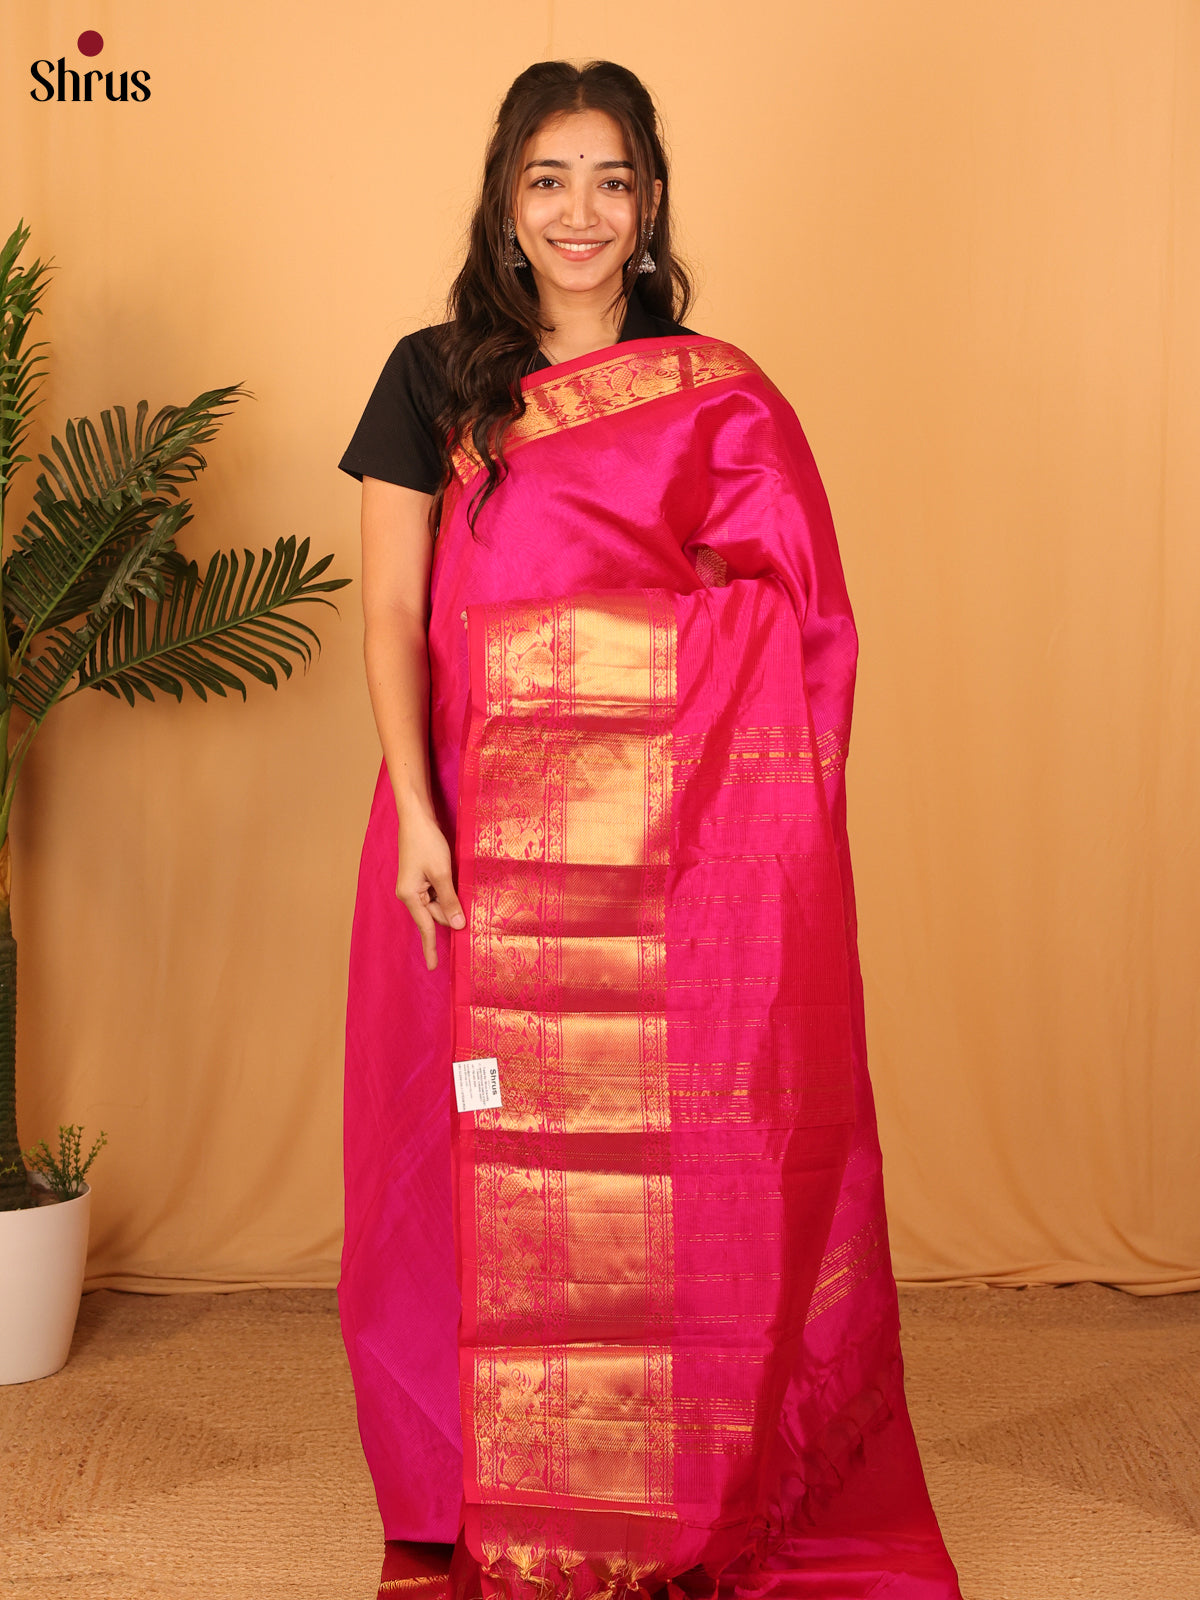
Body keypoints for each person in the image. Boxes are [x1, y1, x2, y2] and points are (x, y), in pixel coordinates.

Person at [338, 58, 963, 1600]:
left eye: (609, 181)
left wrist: (621, 693)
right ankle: (470, 1482)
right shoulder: (432, 378)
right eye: (547, 179)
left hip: (669, 861)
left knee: (669, 1165)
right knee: (465, 1140)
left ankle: (670, 1484)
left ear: (652, 202)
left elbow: (796, 622)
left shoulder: (713, 391)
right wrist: (417, 809)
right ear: (506, 200)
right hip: (470, 831)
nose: (579, 213)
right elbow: (397, 615)